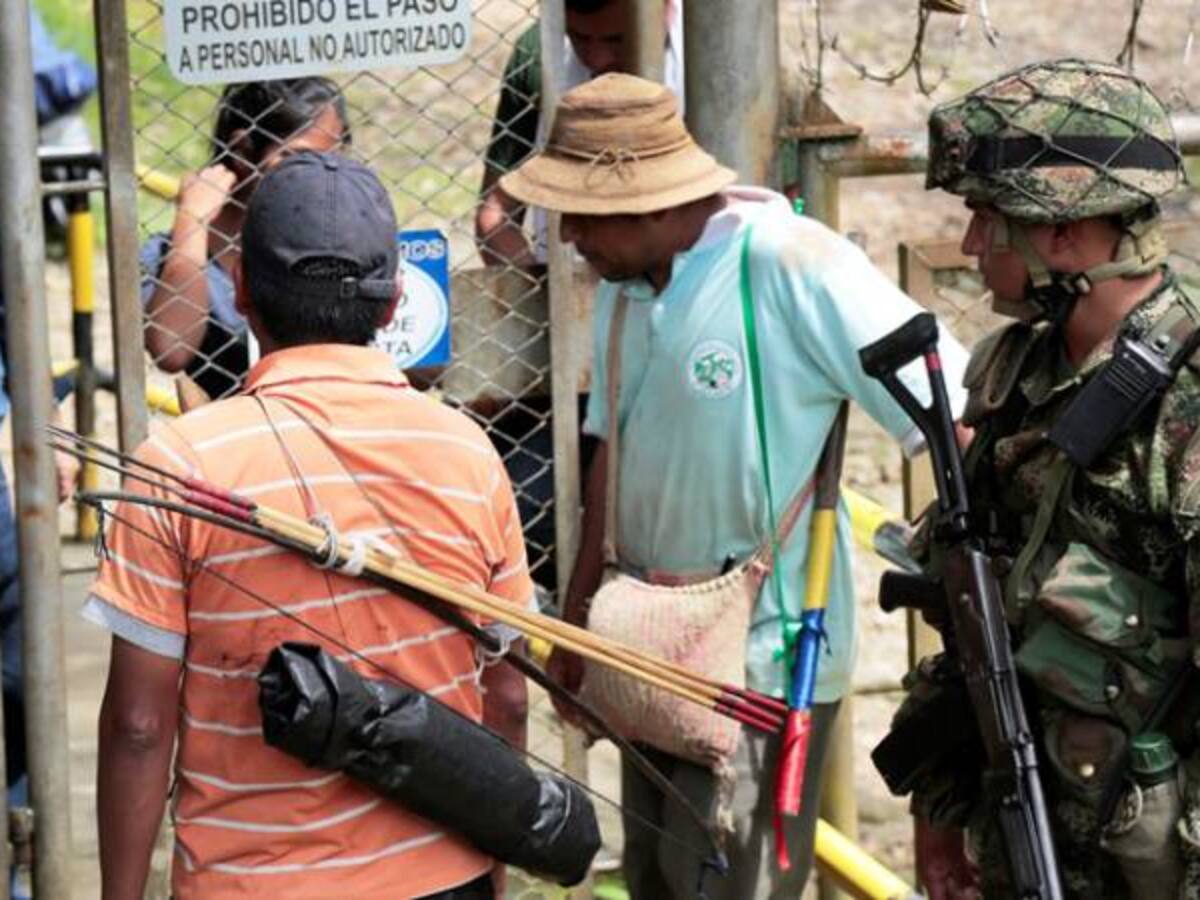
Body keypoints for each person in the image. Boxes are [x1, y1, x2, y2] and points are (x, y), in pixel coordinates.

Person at [500, 73, 970, 898]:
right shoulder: (621, 292)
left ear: (641, 202)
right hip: (646, 649)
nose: (569, 236)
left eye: (581, 214)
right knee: (654, 878)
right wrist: (577, 631)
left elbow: (951, 411)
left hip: (762, 660)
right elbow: (608, 450)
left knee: (731, 884)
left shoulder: (793, 262)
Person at [86, 151, 532, 898]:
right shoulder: (468, 453)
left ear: (240, 289)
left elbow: (138, 724)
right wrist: (488, 870)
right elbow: (509, 697)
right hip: (439, 875)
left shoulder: (181, 463)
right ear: (393, 304)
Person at [900, 58, 1200, 899]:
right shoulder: (1012, 376)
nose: (968, 246)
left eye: (985, 219)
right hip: (1024, 826)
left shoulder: (1186, 403)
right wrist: (939, 808)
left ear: (1063, 233)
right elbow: (969, 613)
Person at [141, 78, 350, 400]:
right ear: (241, 151)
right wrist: (191, 225)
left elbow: (421, 366)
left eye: (333, 158)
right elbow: (171, 351)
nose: (320, 175)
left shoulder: (342, 237)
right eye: (296, 158)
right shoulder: (175, 252)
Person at [475, 0, 684, 268]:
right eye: (579, 38)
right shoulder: (539, 53)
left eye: (617, 40)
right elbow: (495, 216)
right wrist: (539, 293)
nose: (596, 59)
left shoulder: (711, 53)